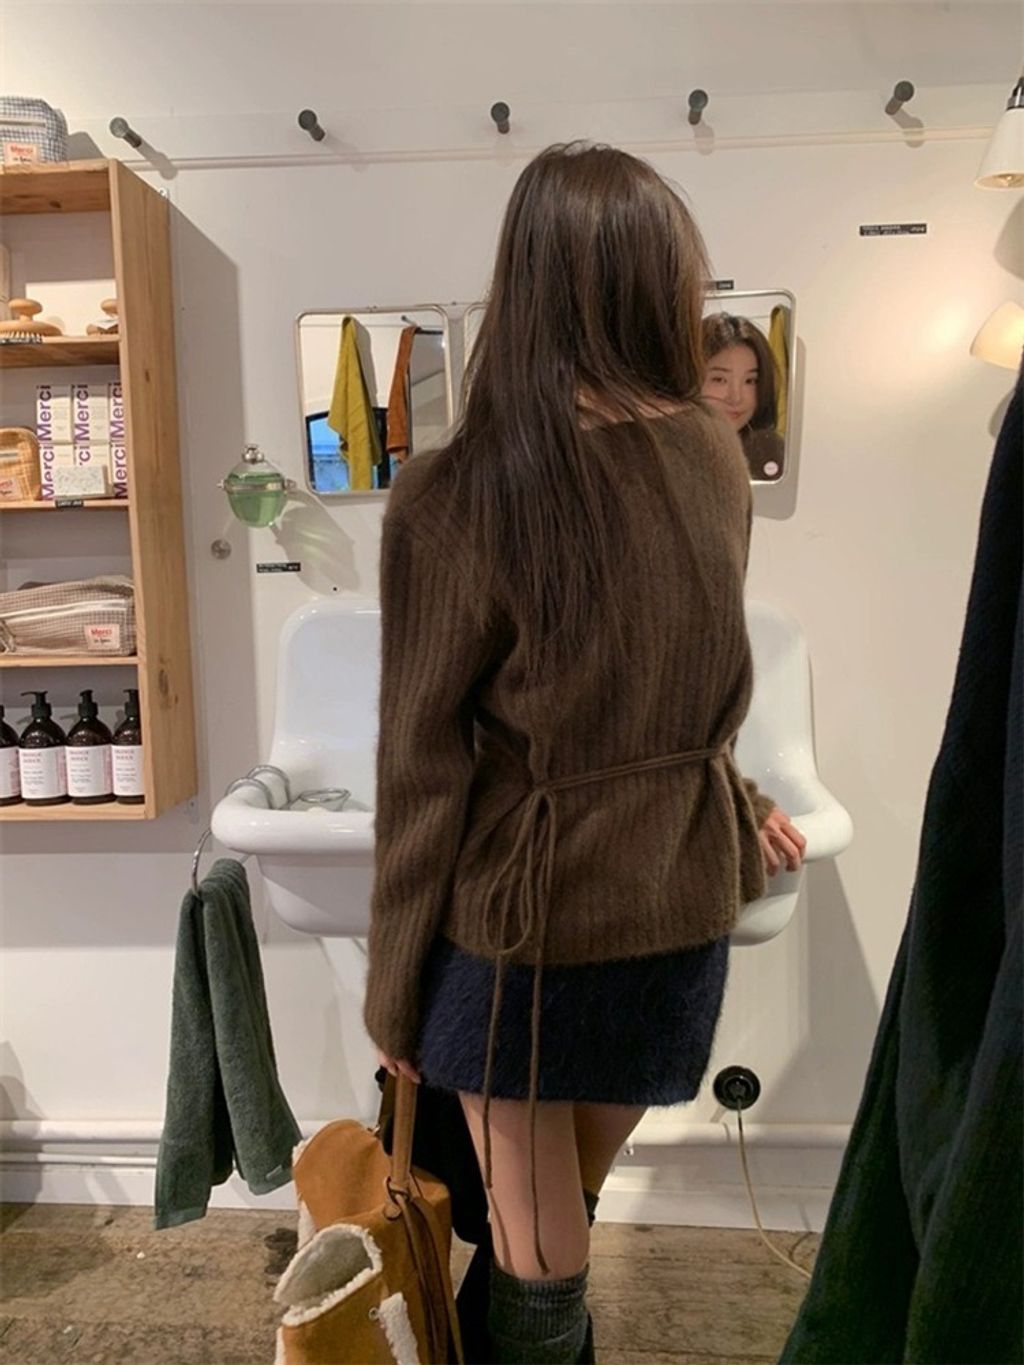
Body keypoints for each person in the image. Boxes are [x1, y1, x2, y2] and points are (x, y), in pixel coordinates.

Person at [364, 142, 806, 1364]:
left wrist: (392, 985)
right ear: (654, 284)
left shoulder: (457, 489)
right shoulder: (709, 451)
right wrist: (734, 796)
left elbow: (421, 765)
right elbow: (681, 668)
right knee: (566, 1202)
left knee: (533, 1241)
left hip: (531, 919)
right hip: (677, 898)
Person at [701, 313, 786, 481]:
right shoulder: (666, 452)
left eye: (750, 381)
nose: (736, 397)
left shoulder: (770, 451)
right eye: (719, 380)